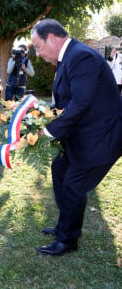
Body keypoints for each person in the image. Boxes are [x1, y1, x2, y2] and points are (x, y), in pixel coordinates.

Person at [31, 19, 122, 256]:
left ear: (51, 38)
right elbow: (63, 101)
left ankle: (68, 240)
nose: (38, 54)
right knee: (59, 169)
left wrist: (49, 131)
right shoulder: (68, 58)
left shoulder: (81, 56)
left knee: (73, 185)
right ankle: (65, 226)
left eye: (38, 47)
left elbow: (80, 102)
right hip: (81, 135)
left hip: (102, 138)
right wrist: (40, 116)